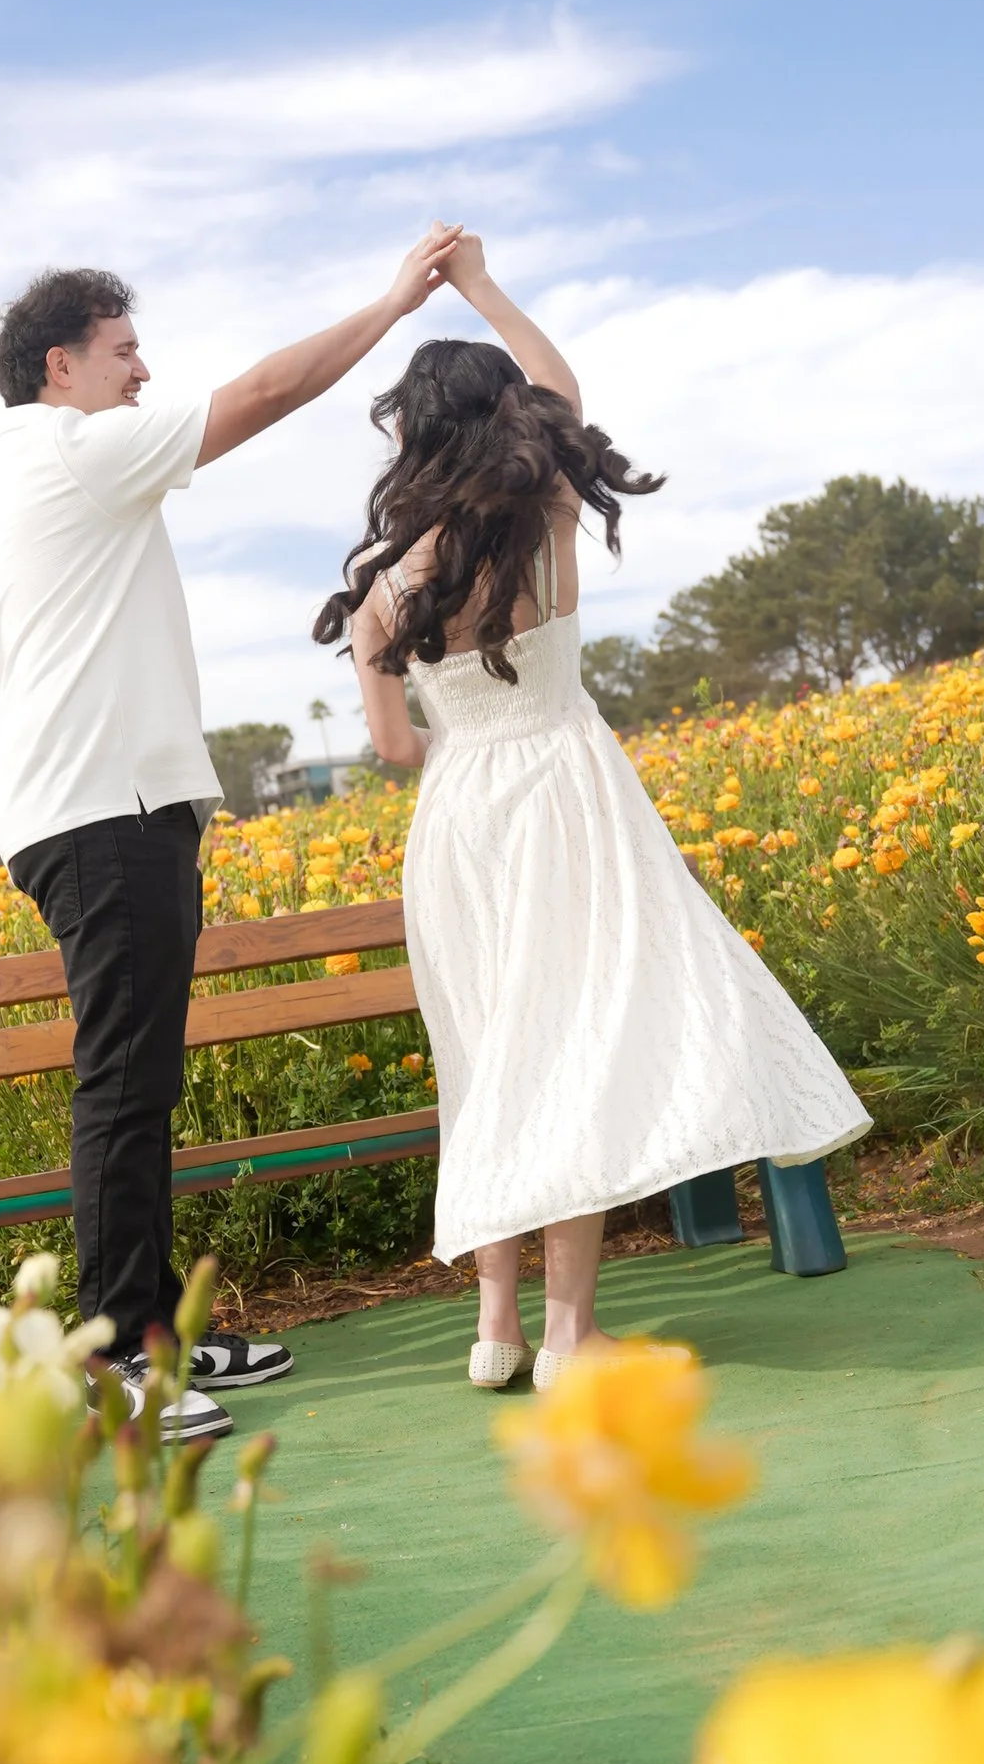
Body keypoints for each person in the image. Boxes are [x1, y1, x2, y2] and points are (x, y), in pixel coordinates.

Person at [316, 234, 869, 1389]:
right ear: (501, 423)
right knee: (569, 1045)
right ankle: (571, 1336)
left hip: (460, 814)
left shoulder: (378, 588)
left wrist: (462, 734)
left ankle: (495, 1331)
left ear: (409, 439)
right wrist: (478, 285)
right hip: (561, 791)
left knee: (488, 1057)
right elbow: (561, 392)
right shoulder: (544, 513)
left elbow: (394, 748)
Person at [0, 235, 460, 1439]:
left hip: (111, 810)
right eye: (124, 351)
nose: (143, 371)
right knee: (123, 1086)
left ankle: (148, 1334)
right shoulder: (72, 448)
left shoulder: (59, 462)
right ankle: (113, 1358)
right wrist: (390, 303)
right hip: (103, 813)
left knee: (139, 1083)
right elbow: (264, 393)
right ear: (59, 368)